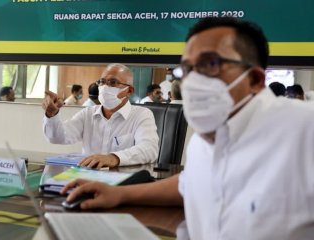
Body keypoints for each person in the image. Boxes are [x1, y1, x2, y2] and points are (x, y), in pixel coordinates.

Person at [61, 17, 314, 240]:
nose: (193, 80)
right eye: (188, 69)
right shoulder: (204, 140)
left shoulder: (304, 130)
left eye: (210, 64)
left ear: (255, 80)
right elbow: (190, 184)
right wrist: (120, 194)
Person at [42, 63, 159, 168]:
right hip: (87, 179)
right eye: (102, 82)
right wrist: (51, 115)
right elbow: (58, 137)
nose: (105, 87)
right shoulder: (88, 113)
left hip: (122, 185)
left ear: (129, 91)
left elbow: (149, 149)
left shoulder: (141, 115)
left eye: (113, 82)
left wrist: (114, 158)